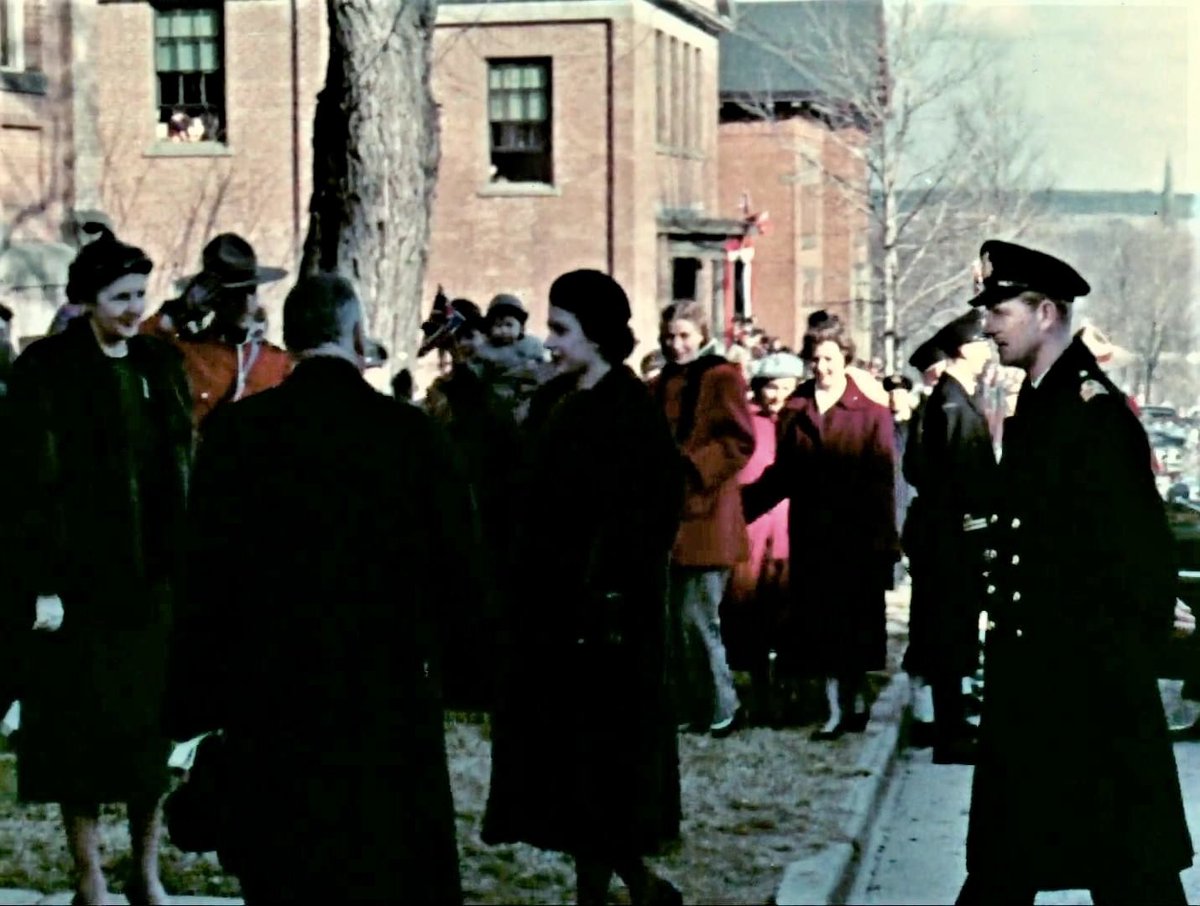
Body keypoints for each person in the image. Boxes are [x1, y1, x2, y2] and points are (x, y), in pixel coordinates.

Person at [165, 273, 473, 904]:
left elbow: (204, 579)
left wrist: (192, 701)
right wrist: (466, 669)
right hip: (384, 692)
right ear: (357, 334)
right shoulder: (411, 436)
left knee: (287, 870)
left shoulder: (238, 437)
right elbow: (459, 570)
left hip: (272, 694)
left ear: (291, 338)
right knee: (384, 866)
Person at [957, 239, 1192, 904]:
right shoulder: (1040, 403)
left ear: (1048, 313)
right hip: (1038, 679)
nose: (987, 324)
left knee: (1129, 871)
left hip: (1087, 685)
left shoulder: (1091, 413)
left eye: (1000, 309)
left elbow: (1138, 551)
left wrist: (1124, 652)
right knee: (1012, 867)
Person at [1, 231, 193, 906]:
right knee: (76, 739)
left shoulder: (158, 365)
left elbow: (178, 469)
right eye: (120, 297)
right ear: (87, 299)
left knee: (148, 740)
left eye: (142, 294)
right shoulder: (45, 371)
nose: (135, 308)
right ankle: (88, 876)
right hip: (79, 590)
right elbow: (27, 485)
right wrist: (45, 584)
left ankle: (145, 870)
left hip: (149, 586)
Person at [482, 269, 684, 906]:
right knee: (572, 771)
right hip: (555, 617)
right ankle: (633, 888)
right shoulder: (557, 402)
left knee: (603, 771)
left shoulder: (630, 412)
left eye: (562, 330)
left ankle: (615, 890)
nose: (550, 342)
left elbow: (650, 518)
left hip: (607, 626)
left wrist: (609, 595)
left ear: (597, 336)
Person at [743, 314, 898, 739]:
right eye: (815, 359)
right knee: (822, 625)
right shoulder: (795, 411)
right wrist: (741, 509)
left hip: (858, 537)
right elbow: (783, 474)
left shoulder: (870, 414)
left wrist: (886, 543)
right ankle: (834, 711)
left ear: (845, 358)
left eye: (829, 358)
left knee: (856, 627)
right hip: (812, 536)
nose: (822, 367)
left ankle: (857, 697)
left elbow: (882, 482)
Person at [652, 300, 755, 737]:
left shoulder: (720, 378)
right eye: (671, 337)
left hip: (706, 517)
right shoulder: (660, 384)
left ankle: (722, 706)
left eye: (685, 337)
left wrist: (691, 466)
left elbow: (739, 441)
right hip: (669, 519)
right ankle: (691, 705)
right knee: (675, 624)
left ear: (701, 336)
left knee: (698, 621)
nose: (677, 345)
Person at [900, 310, 996, 765]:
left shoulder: (952, 398)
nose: (988, 351)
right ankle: (949, 733)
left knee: (950, 631)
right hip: (952, 536)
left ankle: (952, 723)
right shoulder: (953, 404)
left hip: (945, 533)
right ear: (965, 350)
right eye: (982, 344)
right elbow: (961, 477)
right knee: (947, 632)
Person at [723, 352, 805, 720]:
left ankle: (791, 688)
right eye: (772, 386)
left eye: (787, 386)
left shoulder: (801, 420)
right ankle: (756, 687)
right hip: (752, 531)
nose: (778, 395)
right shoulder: (746, 422)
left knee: (790, 612)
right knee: (749, 609)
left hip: (792, 530)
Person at [143, 233, 292, 430]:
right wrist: (177, 313)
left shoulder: (277, 362)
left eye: (251, 292)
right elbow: (128, 351)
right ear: (214, 300)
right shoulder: (187, 355)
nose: (248, 305)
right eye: (235, 296)